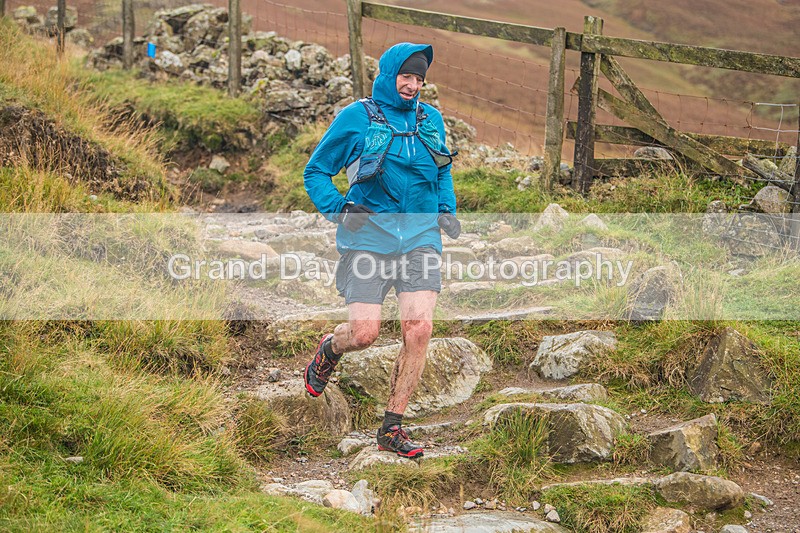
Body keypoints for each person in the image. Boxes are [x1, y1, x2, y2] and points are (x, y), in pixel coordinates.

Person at [302, 42, 460, 458]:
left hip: (421, 238)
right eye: (405, 76)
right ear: (389, 74)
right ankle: (331, 348)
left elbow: (442, 169)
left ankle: (392, 427)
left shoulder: (431, 119)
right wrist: (339, 209)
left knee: (419, 329)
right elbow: (316, 170)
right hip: (369, 239)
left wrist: (446, 210)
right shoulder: (357, 117)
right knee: (365, 334)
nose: (412, 85)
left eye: (419, 78)